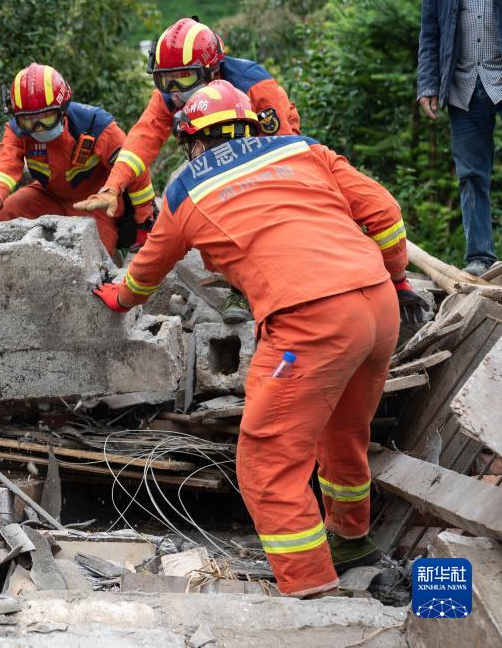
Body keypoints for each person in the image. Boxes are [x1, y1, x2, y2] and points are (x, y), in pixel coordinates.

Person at [93, 80, 427, 598]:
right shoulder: (304, 150)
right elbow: (383, 213)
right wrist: (398, 277)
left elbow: (147, 271)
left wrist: (119, 298)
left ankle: (310, 588)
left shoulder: (186, 189)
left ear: (193, 140)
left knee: (266, 458)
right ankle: (350, 540)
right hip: (378, 306)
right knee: (343, 432)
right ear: (250, 125)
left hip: (310, 323)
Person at [76, 17, 301, 322]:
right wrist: (113, 186)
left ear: (212, 69)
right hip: (210, 150)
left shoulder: (255, 86)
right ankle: (237, 280)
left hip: (265, 147)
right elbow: (141, 140)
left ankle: (259, 280)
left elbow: (283, 151)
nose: (174, 90)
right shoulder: (169, 96)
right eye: (165, 79)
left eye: (183, 77)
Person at [0, 63, 156, 255]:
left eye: (46, 118)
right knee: (7, 213)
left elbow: (134, 169)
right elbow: (5, 167)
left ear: (63, 108)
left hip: (96, 201)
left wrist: (144, 221)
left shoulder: (95, 125)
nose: (38, 128)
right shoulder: (17, 130)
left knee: (95, 254)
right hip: (49, 195)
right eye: (29, 120)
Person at [418, 0, 502, 276]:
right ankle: (480, 257)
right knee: (471, 175)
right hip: (462, 82)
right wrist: (428, 84)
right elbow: (430, 28)